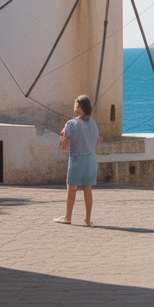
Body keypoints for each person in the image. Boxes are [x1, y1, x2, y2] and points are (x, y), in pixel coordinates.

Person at [55, 96, 99, 226]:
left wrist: (62, 135)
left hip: (77, 159)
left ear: (79, 107)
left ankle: (68, 217)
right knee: (88, 189)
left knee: (72, 188)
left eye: (76, 104)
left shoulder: (71, 123)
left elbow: (64, 145)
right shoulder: (93, 123)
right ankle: (87, 219)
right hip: (91, 159)